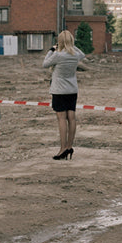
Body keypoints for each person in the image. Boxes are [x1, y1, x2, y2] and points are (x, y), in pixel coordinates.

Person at [42, 30, 87, 160]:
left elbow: (45, 64)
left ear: (60, 42)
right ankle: (69, 146)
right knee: (71, 118)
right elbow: (82, 54)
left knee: (62, 119)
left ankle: (62, 149)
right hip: (72, 89)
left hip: (59, 90)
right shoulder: (75, 55)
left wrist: (51, 49)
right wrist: (72, 45)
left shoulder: (58, 55)